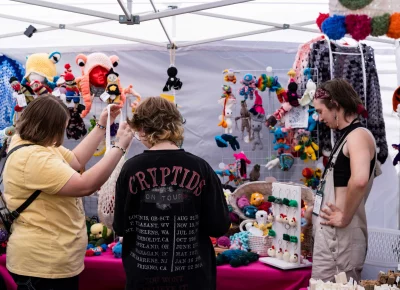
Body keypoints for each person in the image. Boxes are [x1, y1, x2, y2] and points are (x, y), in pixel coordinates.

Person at [3, 95, 134, 290]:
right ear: (49, 128)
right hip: (43, 266)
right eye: (61, 128)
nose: (63, 133)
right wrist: (119, 146)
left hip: (52, 263)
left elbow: (75, 160)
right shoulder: (32, 156)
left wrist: (102, 125)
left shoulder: (35, 144)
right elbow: (85, 185)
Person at [113, 96, 231, 290]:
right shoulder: (201, 168)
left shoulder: (130, 169)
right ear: (175, 126)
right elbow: (218, 226)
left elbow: (120, 226)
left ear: (142, 128)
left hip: (143, 279)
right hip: (194, 279)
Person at [306, 78, 379, 282]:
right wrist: (315, 210)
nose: (319, 118)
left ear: (336, 106)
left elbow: (360, 180)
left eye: (321, 112)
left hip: (341, 244)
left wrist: (345, 216)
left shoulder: (359, 136)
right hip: (332, 241)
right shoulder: (347, 136)